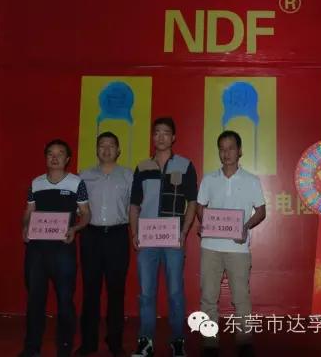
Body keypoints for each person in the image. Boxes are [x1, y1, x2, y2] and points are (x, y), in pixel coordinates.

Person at [129, 117, 198, 357]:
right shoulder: (142, 167)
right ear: (152, 136)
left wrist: (184, 232)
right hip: (147, 239)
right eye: (156, 132)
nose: (161, 137)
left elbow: (192, 202)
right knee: (146, 293)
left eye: (166, 132)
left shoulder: (185, 165)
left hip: (173, 239)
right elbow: (134, 204)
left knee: (175, 292)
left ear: (173, 137)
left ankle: (177, 340)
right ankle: (145, 340)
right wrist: (134, 232)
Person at [196, 131, 266, 357]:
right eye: (222, 149)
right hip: (210, 247)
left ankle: (244, 340)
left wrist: (245, 227)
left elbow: (261, 211)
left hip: (238, 249)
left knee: (241, 297)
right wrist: (204, 223)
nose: (226, 153)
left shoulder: (251, 180)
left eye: (231, 148)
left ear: (240, 151)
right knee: (208, 296)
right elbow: (200, 206)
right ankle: (209, 341)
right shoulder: (209, 179)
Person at [19, 139, 91, 357]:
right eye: (50, 153)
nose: (55, 157)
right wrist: (25, 227)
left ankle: (64, 348)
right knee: (35, 299)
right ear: (46, 157)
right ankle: (32, 348)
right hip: (37, 250)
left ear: (67, 159)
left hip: (63, 249)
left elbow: (86, 213)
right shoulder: (36, 183)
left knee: (65, 300)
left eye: (60, 154)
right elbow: (29, 212)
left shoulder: (76, 183)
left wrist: (75, 229)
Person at [76, 132, 133, 357]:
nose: (106, 150)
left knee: (116, 291)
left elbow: (133, 208)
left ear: (118, 151)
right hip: (91, 236)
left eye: (111, 146)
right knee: (90, 290)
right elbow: (78, 208)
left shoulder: (128, 176)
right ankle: (88, 342)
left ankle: (115, 341)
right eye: (102, 145)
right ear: (96, 150)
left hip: (118, 235)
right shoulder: (84, 176)